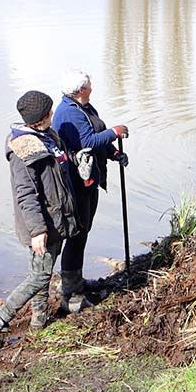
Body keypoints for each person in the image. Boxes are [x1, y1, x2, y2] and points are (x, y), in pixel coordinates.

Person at [0, 90, 77, 352]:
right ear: (41, 117)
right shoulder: (22, 149)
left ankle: (38, 320)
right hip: (42, 223)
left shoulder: (48, 135)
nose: (53, 114)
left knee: (41, 273)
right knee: (38, 276)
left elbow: (60, 166)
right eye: (50, 112)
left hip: (57, 217)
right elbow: (26, 193)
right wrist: (37, 230)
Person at [52, 70, 128, 313]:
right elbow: (87, 142)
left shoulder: (84, 107)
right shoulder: (68, 112)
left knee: (83, 232)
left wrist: (113, 152)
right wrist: (114, 132)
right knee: (77, 235)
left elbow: (96, 137)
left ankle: (75, 281)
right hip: (76, 186)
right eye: (89, 85)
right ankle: (71, 296)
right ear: (79, 90)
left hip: (90, 181)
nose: (92, 88)